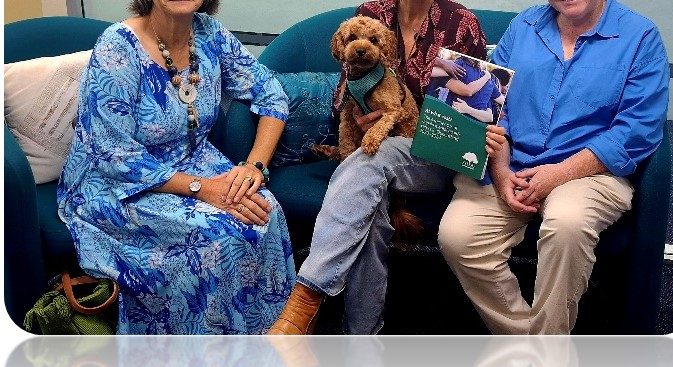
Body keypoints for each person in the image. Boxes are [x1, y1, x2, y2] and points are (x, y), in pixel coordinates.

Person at [268, 0, 506, 335]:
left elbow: (475, 105)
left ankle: (305, 299)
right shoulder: (370, 14)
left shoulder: (461, 23)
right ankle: (362, 339)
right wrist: (360, 116)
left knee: (370, 160)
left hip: (432, 153)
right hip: (372, 150)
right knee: (371, 201)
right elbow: (345, 94)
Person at [58, 0, 295, 334]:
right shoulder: (117, 48)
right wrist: (205, 189)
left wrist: (255, 166)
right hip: (119, 182)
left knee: (266, 209)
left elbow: (271, 93)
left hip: (196, 161)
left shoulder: (209, 33)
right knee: (219, 234)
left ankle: (268, 340)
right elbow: (114, 155)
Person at [438, 0, 669, 334]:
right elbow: (494, 103)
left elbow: (638, 129)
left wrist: (559, 174)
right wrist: (501, 172)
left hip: (590, 171)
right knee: (458, 236)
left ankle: (548, 350)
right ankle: (534, 342)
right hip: (512, 164)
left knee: (567, 225)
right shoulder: (524, 26)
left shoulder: (641, 37)